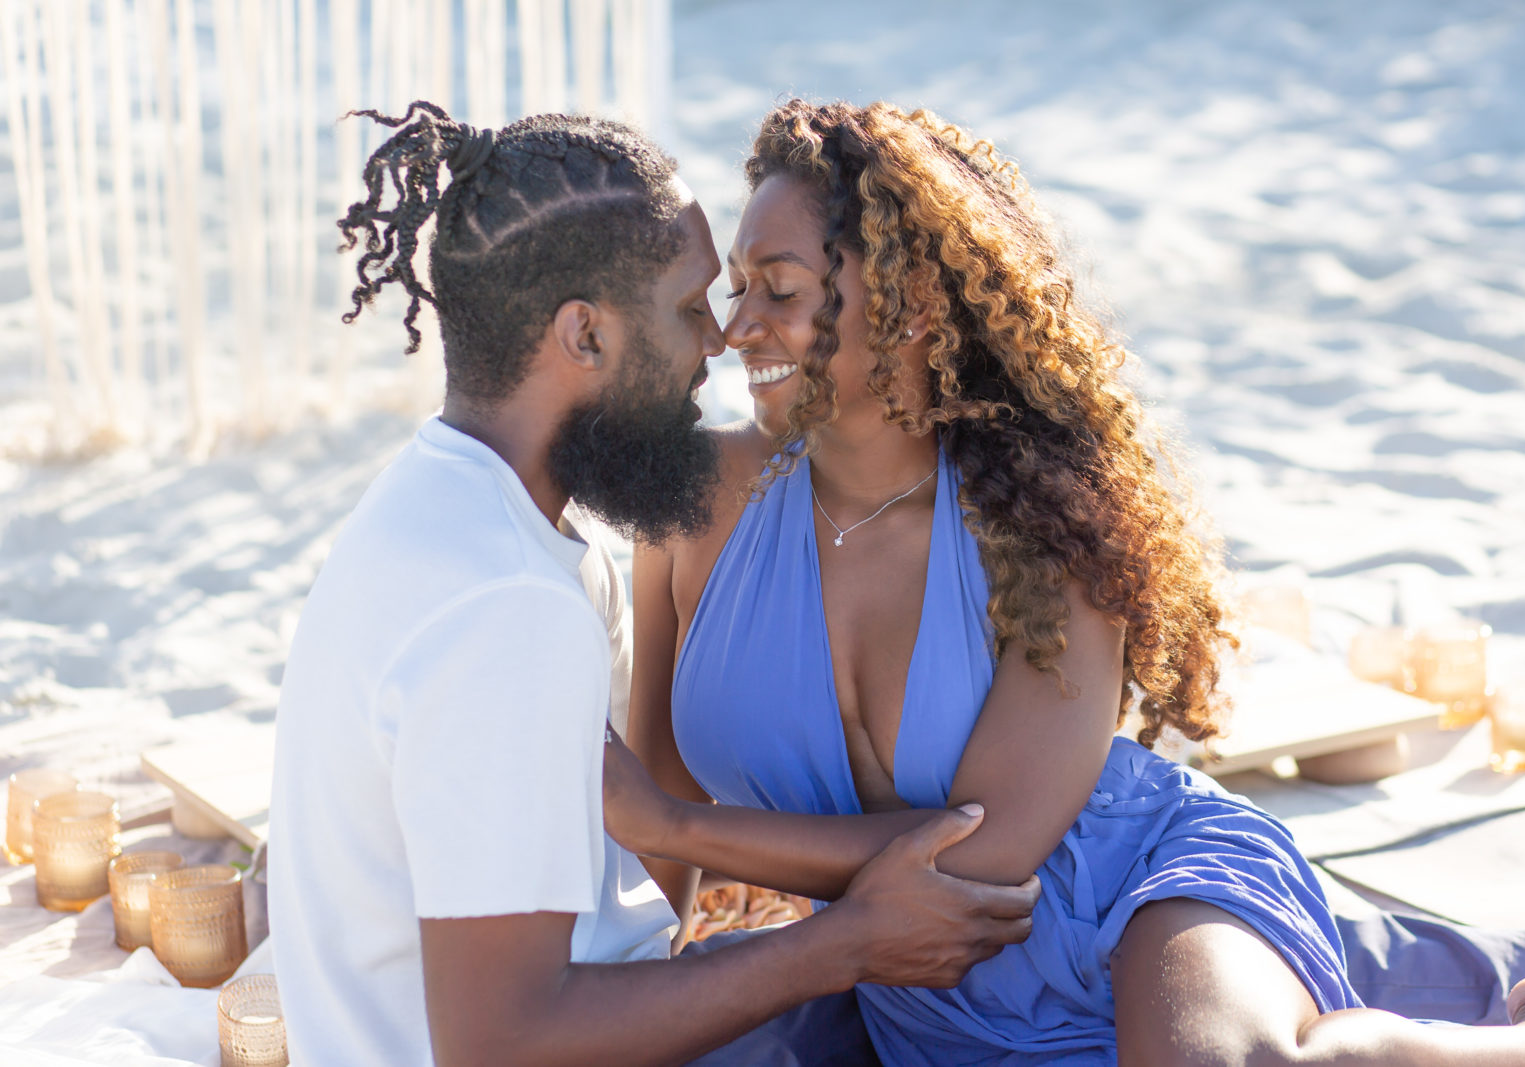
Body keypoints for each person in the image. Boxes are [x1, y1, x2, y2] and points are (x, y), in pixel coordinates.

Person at [617, 98, 1525, 1066]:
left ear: (913, 304)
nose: (735, 327)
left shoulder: (1044, 518)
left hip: (1134, 894)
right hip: (922, 992)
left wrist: (677, 824)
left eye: (778, 290)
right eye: (738, 286)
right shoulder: (693, 502)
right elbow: (657, 819)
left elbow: (977, 860)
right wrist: (642, 976)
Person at [266, 101, 1041, 1067]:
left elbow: (622, 866)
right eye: (688, 308)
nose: (718, 341)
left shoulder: (447, 511)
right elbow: (503, 1042)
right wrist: (839, 944)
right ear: (585, 335)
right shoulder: (506, 610)